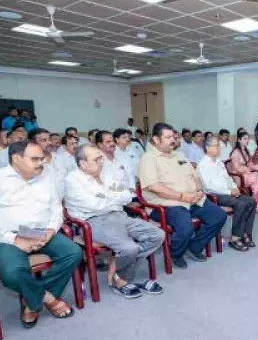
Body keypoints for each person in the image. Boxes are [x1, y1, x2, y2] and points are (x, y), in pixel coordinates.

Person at [0, 141, 82, 326]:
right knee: (13, 272)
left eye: (42, 159)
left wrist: (51, 230)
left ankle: (31, 300)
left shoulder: (47, 176)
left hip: (40, 231)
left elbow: (56, 209)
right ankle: (47, 299)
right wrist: (14, 239)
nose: (41, 163)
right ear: (16, 159)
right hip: (5, 236)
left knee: (73, 253)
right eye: (35, 159)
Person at [65, 144, 164, 298]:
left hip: (119, 215)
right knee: (129, 248)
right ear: (83, 164)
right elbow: (94, 206)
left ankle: (117, 268)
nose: (101, 161)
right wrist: (113, 197)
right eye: (97, 159)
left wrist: (107, 197)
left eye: (101, 158)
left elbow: (126, 196)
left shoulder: (106, 174)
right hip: (94, 222)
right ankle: (122, 280)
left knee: (157, 235)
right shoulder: (72, 180)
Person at [138, 122, 227, 269]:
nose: (173, 140)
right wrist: (181, 197)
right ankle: (176, 253)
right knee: (186, 228)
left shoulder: (179, 155)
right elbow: (154, 186)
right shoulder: (149, 158)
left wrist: (198, 190)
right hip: (166, 204)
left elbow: (195, 176)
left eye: (173, 136)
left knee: (218, 216)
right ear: (156, 139)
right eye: (167, 137)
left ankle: (194, 246)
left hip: (192, 199)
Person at [199, 137, 257, 252]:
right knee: (240, 204)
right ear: (207, 148)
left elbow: (227, 178)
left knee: (251, 201)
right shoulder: (203, 164)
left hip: (228, 192)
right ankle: (235, 238)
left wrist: (235, 188)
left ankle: (245, 233)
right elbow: (209, 186)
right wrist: (229, 192)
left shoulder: (219, 162)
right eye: (216, 146)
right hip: (215, 195)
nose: (219, 148)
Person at [228, 131, 258, 215]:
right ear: (239, 140)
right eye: (244, 139)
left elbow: (249, 162)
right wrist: (251, 168)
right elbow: (237, 168)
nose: (247, 141)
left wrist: (255, 166)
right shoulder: (236, 152)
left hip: (246, 173)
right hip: (239, 176)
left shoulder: (245, 150)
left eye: (247, 139)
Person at [28, 128, 67, 198]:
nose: (49, 143)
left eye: (49, 139)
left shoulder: (61, 158)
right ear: (32, 144)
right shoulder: (30, 163)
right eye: (44, 140)